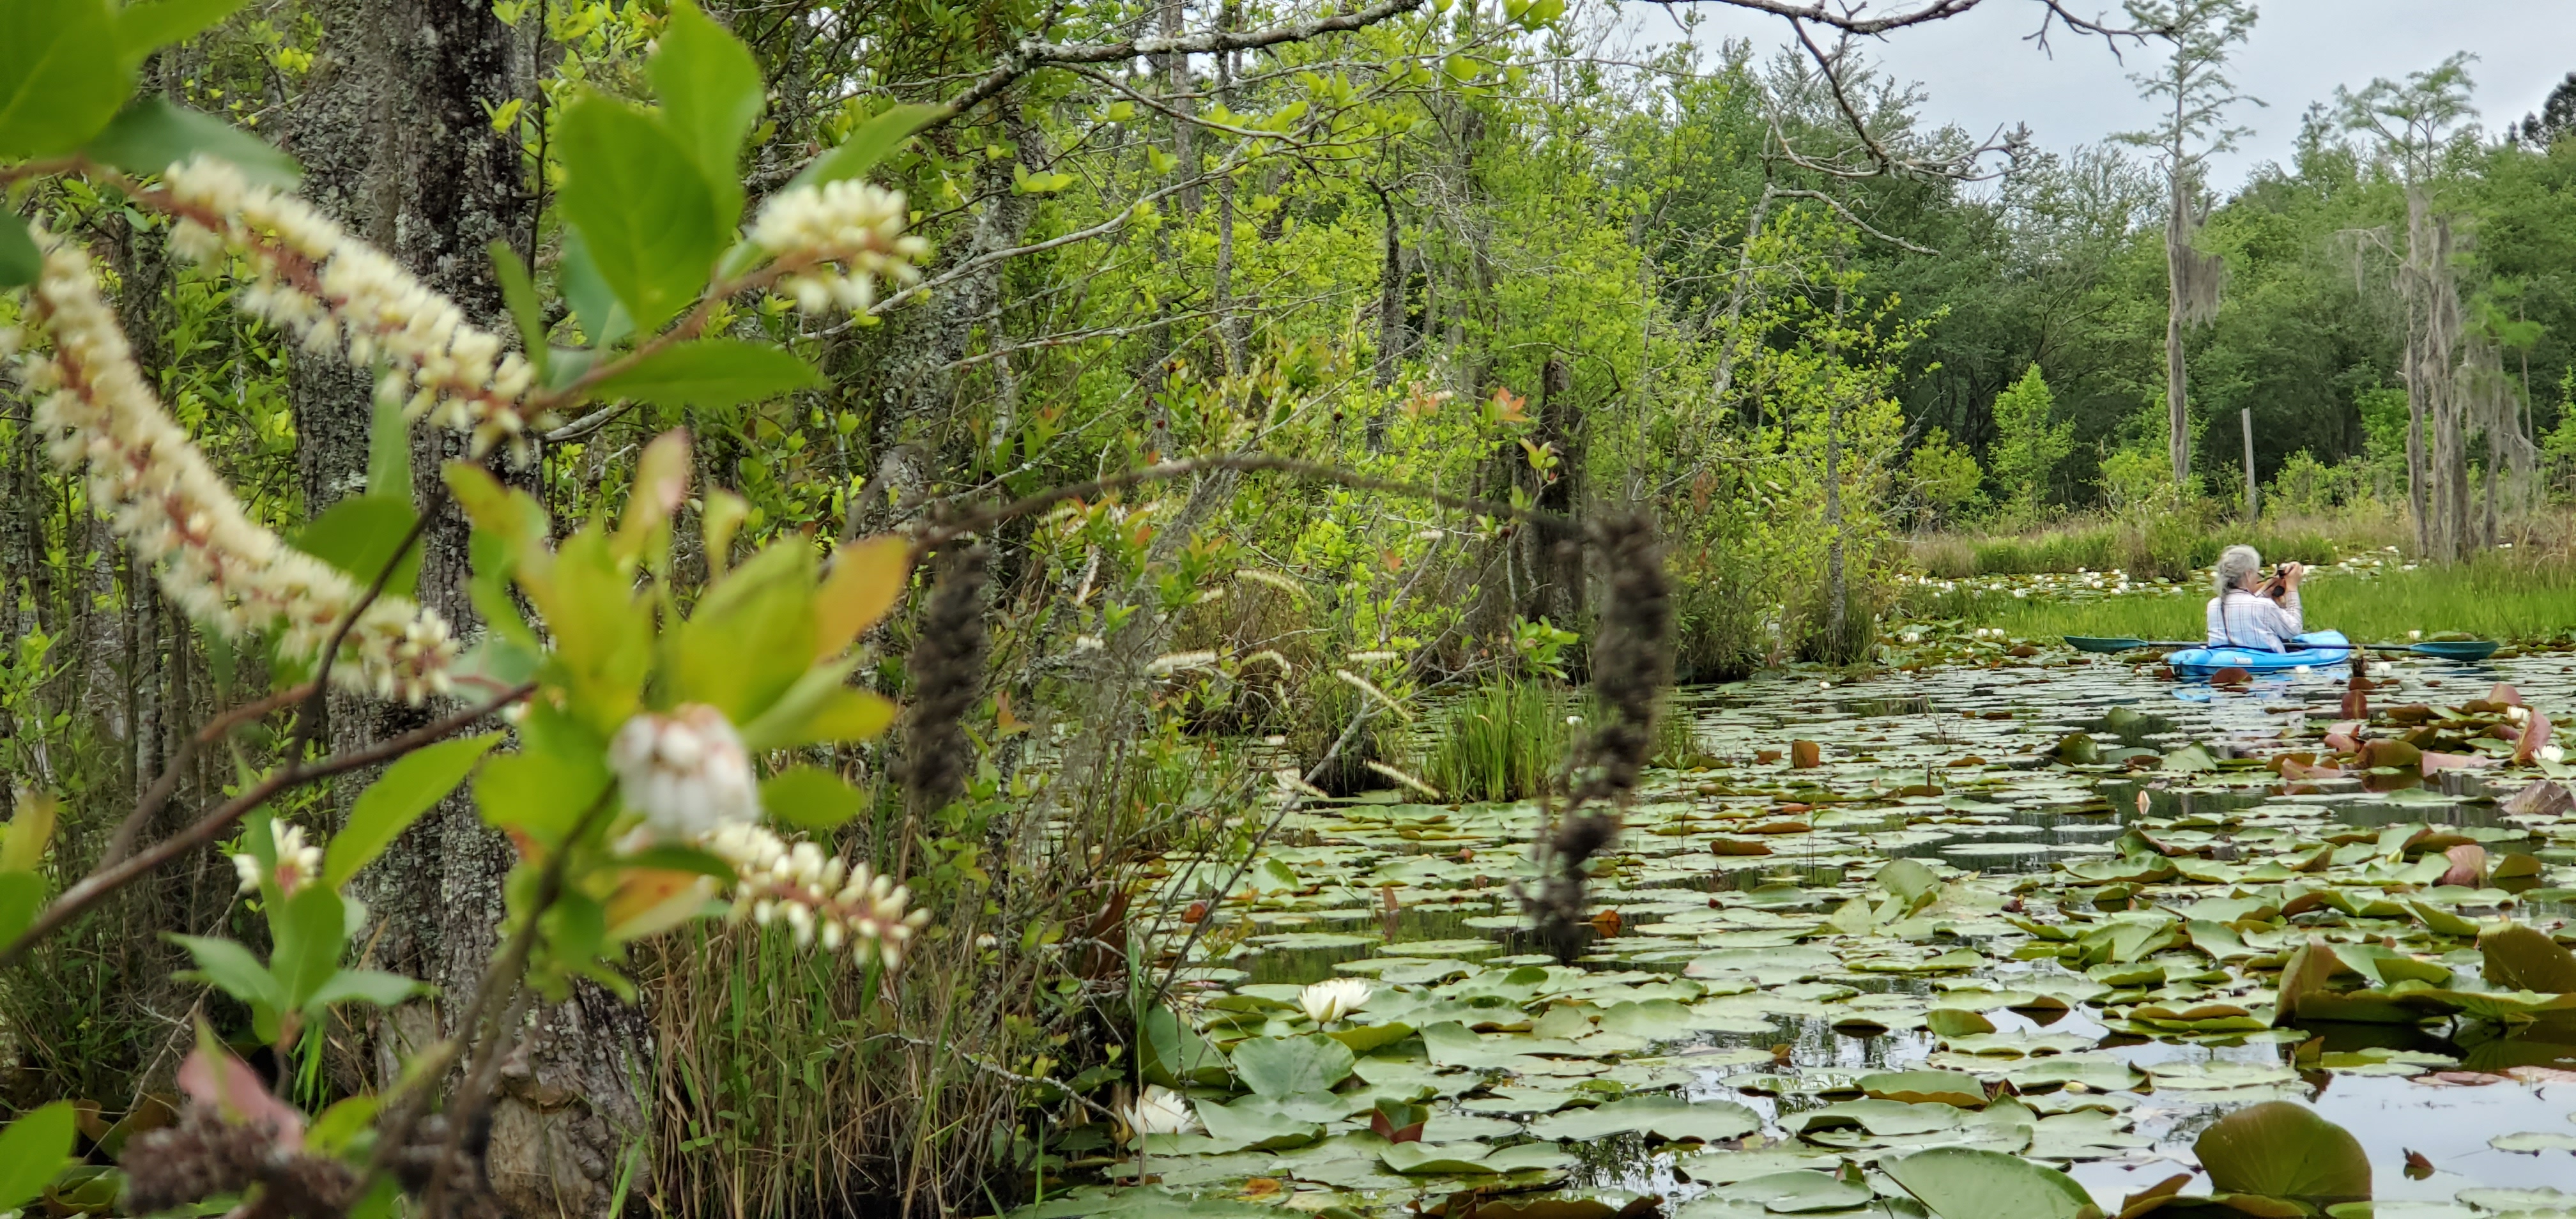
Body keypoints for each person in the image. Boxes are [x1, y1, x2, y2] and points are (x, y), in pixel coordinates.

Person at [2204, 544, 2305, 650]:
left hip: (2223, 659)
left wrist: (2268, 587)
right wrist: (2292, 587)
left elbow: (2247, 606)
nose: (2258, 578)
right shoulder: (2264, 606)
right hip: (2267, 662)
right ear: (2248, 574)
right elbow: (2294, 629)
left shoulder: (2214, 604)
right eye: (2257, 573)